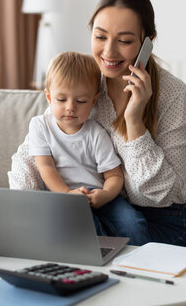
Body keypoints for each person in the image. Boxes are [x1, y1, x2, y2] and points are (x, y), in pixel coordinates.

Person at [9, 0, 186, 246]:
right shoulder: (84, 81)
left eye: (125, 41)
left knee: (73, 240)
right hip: (97, 210)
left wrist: (134, 121)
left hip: (161, 220)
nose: (108, 53)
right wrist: (25, 208)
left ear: (148, 41)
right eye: (100, 37)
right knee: (61, 236)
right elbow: (31, 153)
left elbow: (161, 194)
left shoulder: (173, 95)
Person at [29, 51, 140, 236]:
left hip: (98, 195)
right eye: (61, 99)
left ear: (93, 101)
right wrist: (67, 194)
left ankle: (139, 262)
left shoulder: (96, 133)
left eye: (81, 101)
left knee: (132, 223)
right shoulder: (40, 126)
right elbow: (45, 167)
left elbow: (114, 176)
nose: (70, 107)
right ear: (49, 98)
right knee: (83, 225)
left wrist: (105, 195)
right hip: (62, 196)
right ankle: (101, 258)